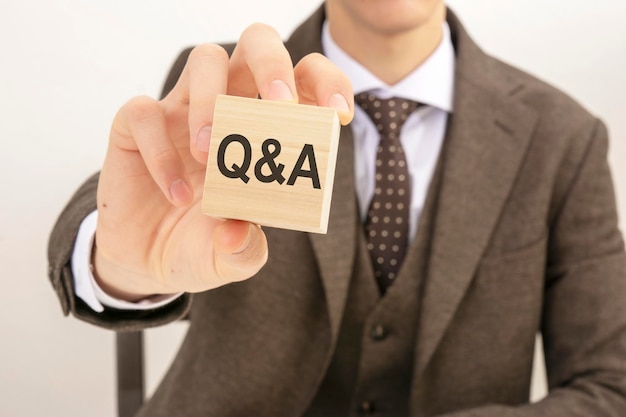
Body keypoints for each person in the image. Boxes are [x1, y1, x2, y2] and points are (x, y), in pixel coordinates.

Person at [48, 0, 626, 416]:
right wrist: (121, 265)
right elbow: (131, 222)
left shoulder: (562, 137)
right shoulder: (226, 87)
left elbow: (610, 385)